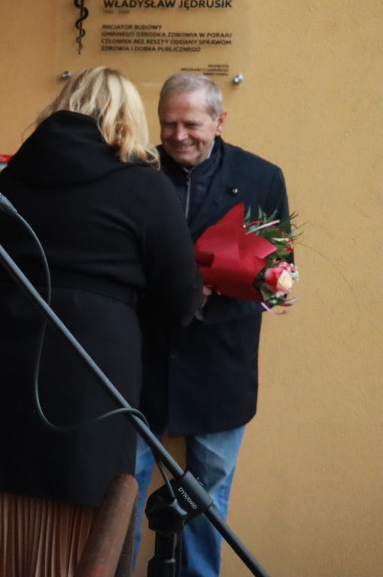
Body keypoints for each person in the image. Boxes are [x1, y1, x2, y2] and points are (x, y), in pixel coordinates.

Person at [0, 67, 204, 577]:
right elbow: (179, 300)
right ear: (127, 119)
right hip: (89, 381)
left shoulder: (11, 179)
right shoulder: (145, 187)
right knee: (78, 531)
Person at [133, 73, 290, 577]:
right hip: (138, 364)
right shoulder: (135, 172)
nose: (178, 135)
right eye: (168, 123)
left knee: (208, 499)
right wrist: (173, 291)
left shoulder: (262, 177)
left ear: (220, 121)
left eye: (191, 124)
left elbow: (276, 272)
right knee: (121, 491)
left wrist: (219, 293)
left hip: (221, 369)